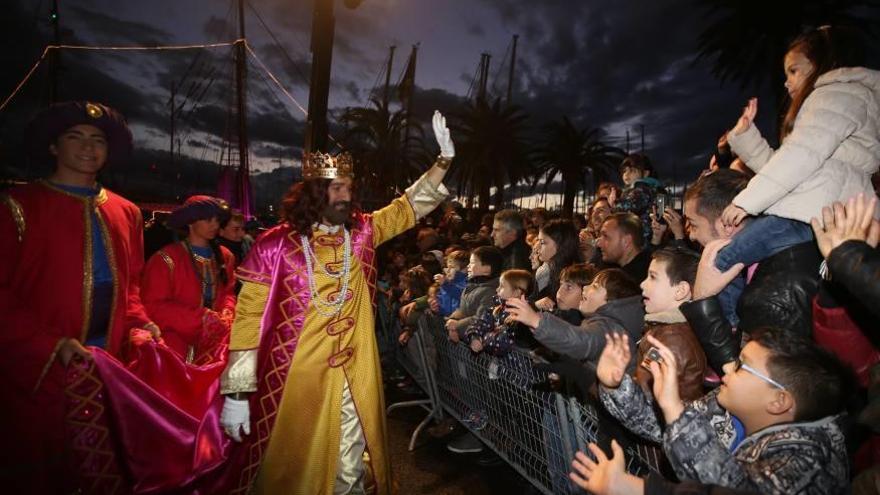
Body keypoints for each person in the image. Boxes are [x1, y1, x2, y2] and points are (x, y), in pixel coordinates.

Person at [217, 111, 455, 494]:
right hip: (298, 382)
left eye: (349, 188)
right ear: (314, 194)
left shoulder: (361, 233)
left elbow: (407, 208)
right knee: (295, 468)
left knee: (352, 460)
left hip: (356, 372)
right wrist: (238, 394)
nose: (346, 196)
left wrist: (442, 162)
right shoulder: (275, 245)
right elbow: (247, 319)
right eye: (336, 188)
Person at [0, 101, 158, 492]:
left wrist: (140, 324)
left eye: (98, 140)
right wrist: (49, 344)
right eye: (75, 137)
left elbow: (131, 286)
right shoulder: (19, 207)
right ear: (53, 147)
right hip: (40, 371)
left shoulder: (127, 212)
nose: (88, 147)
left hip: (109, 368)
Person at [714, 26, 880, 325]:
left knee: (722, 259)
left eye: (794, 70)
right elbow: (785, 167)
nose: (787, 82)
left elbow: (798, 159)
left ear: (822, 64)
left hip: (808, 215)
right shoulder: (840, 101)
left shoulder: (838, 94)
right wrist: (745, 136)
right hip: (813, 212)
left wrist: (745, 202)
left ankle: (728, 339)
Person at [596, 327, 851, 493]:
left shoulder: (810, 462)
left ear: (778, 401)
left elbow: (731, 488)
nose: (728, 368)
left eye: (743, 366)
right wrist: (615, 385)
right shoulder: (724, 406)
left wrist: (640, 489)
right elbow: (667, 428)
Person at [679, 169, 820, 375]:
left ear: (728, 224)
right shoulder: (773, 256)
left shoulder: (770, 298)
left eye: (693, 224)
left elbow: (747, 381)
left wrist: (702, 298)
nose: (690, 236)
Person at [141, 195, 237, 362]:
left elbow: (229, 292)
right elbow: (153, 305)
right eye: (208, 220)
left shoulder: (225, 256)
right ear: (190, 221)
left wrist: (227, 312)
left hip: (217, 344)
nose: (215, 225)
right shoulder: (165, 258)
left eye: (217, 220)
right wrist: (202, 319)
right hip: (174, 343)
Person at [463, 269, 535, 357]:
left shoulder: (522, 316)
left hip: (519, 368)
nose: (497, 289)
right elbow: (480, 323)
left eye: (502, 286)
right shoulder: (497, 309)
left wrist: (483, 340)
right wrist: (474, 337)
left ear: (517, 292)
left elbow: (505, 340)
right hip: (501, 366)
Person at [444, 245, 503, 342]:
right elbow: (462, 310)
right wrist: (452, 321)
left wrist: (457, 326)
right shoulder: (471, 286)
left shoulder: (490, 291)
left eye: (472, 263)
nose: (468, 266)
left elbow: (482, 318)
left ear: (486, 269)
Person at [534, 219, 582, 308]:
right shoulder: (545, 269)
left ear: (561, 245)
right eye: (538, 241)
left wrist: (534, 306)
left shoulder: (574, 275)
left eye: (542, 242)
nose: (537, 247)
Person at [596, 212, 651, 283]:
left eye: (606, 236)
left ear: (626, 241)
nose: (599, 243)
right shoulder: (618, 272)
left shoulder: (632, 283)